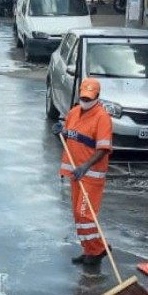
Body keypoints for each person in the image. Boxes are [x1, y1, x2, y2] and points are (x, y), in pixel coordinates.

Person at [53, 78, 113, 266]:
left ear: (97, 97)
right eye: (83, 98)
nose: (85, 101)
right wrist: (60, 131)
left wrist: (85, 167)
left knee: (85, 215)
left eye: (89, 98)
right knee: (78, 216)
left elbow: (103, 149)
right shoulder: (73, 113)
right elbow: (69, 135)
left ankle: (97, 249)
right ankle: (90, 250)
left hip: (91, 176)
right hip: (76, 175)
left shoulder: (102, 118)